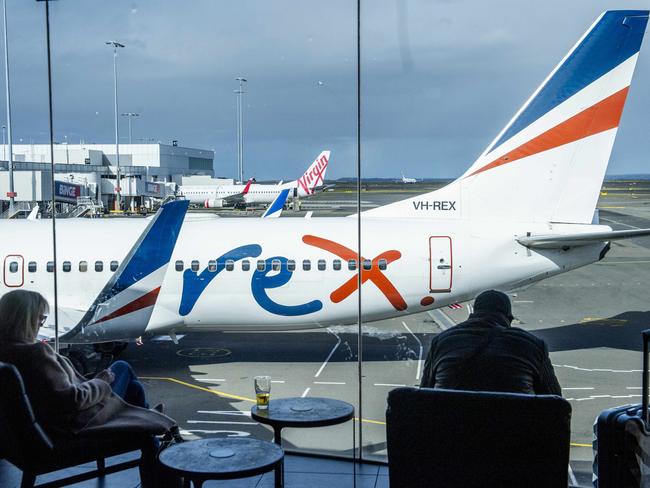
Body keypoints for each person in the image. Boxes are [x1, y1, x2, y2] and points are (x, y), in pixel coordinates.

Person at [0, 289, 179, 487]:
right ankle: (147, 423)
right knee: (122, 369)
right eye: (40, 318)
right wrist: (100, 382)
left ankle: (145, 418)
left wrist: (89, 382)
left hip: (37, 434)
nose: (41, 324)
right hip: (74, 424)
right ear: (26, 319)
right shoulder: (35, 354)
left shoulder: (7, 352)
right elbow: (72, 400)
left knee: (133, 387)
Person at [420, 290, 561, 395]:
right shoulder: (531, 345)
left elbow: (424, 394)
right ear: (509, 318)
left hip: (452, 429)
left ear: (472, 314)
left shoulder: (442, 342)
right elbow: (554, 399)